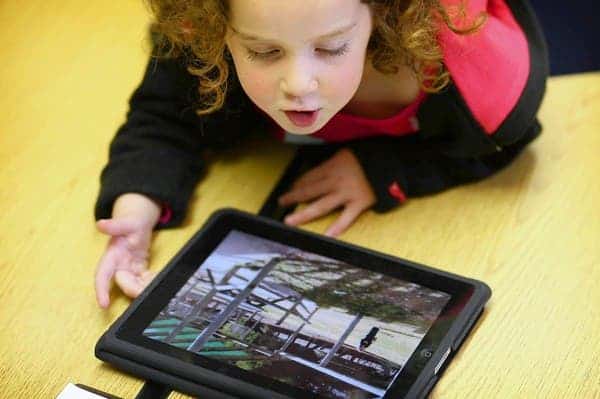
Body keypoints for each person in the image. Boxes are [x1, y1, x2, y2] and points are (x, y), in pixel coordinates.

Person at [94, 0, 548, 308]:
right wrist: (136, 207)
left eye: (331, 47)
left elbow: (504, 141)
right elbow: (163, 117)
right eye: (264, 51)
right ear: (218, 29)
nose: (298, 83)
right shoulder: (204, 33)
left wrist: (384, 169)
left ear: (382, 12)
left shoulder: (473, 85)